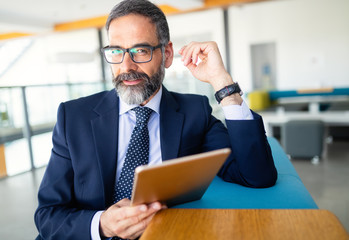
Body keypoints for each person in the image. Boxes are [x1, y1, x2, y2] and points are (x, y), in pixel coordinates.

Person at [34, 0, 277, 239]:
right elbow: (48, 215)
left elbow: (256, 175)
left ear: (167, 54)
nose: (126, 66)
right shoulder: (73, 117)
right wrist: (102, 226)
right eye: (116, 51)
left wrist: (222, 83)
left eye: (141, 50)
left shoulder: (194, 111)